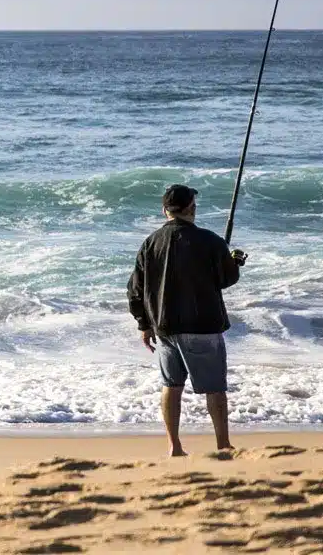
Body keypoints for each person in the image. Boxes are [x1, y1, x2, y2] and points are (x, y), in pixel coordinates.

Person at [127, 184, 246, 456]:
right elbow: (227, 279)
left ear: (165, 211)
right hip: (202, 327)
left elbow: (134, 290)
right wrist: (235, 261)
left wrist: (144, 324)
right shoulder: (210, 240)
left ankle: (174, 446)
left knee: (171, 385)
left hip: (164, 328)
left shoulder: (150, 243)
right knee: (214, 389)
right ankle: (223, 444)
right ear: (191, 208)